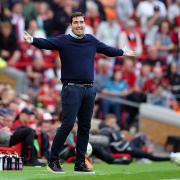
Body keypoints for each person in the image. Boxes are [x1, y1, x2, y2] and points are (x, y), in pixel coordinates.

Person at [24, 12, 135, 173]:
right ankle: (53, 161)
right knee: (68, 124)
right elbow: (47, 43)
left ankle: (80, 163)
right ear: (71, 25)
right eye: (75, 22)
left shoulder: (91, 40)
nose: (79, 25)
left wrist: (122, 52)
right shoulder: (64, 40)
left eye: (81, 22)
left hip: (89, 89)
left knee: (85, 127)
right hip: (71, 88)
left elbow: (107, 50)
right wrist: (33, 40)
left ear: (85, 23)